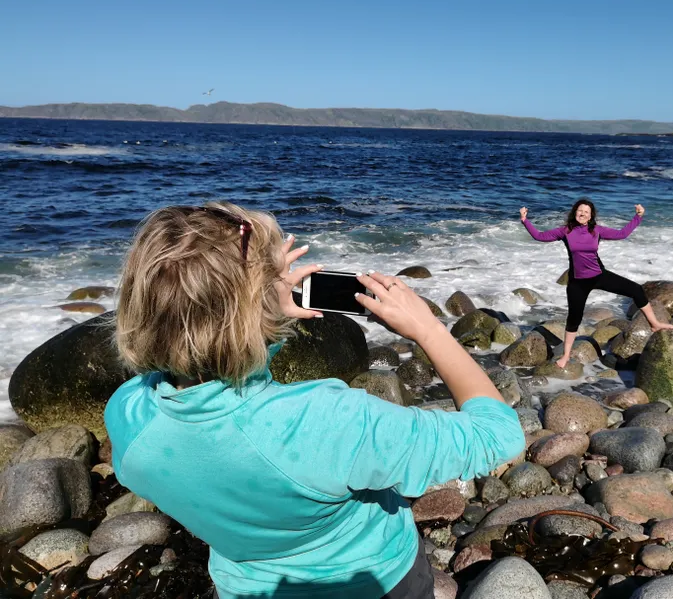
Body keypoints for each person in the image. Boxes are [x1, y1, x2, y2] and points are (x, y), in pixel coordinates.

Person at [105, 202, 525, 599]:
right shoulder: (329, 420)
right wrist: (428, 330)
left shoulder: (128, 416)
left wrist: (261, 314)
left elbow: (207, 384)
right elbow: (497, 434)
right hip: (376, 582)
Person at [519, 199, 673, 368]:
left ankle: (654, 324)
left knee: (636, 289)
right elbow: (539, 236)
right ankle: (566, 356)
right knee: (574, 318)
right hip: (578, 282)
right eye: (580, 210)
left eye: (586, 212)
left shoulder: (596, 230)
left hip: (599, 276)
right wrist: (525, 221)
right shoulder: (565, 231)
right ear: (574, 212)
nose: (582, 213)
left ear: (591, 216)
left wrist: (638, 217)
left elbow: (622, 234)